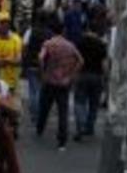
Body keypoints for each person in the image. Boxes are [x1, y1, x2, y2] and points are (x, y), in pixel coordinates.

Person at [37, 22, 83, 150]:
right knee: (63, 111)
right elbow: (80, 60)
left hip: (50, 80)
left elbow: (41, 58)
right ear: (63, 31)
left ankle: (40, 127)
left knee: (44, 107)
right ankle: (62, 139)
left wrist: (43, 73)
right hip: (64, 82)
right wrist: (71, 75)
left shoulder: (48, 44)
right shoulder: (70, 46)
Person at [73, 27, 107, 141]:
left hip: (83, 75)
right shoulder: (101, 44)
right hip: (97, 76)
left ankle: (80, 126)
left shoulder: (80, 42)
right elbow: (104, 64)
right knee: (94, 104)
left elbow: (76, 59)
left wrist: (73, 73)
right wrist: (105, 77)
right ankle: (89, 127)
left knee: (79, 102)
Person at [0, 11, 22, 93]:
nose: (4, 25)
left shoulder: (16, 39)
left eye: (7, 22)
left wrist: (5, 61)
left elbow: (19, 61)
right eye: (2, 22)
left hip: (10, 81)